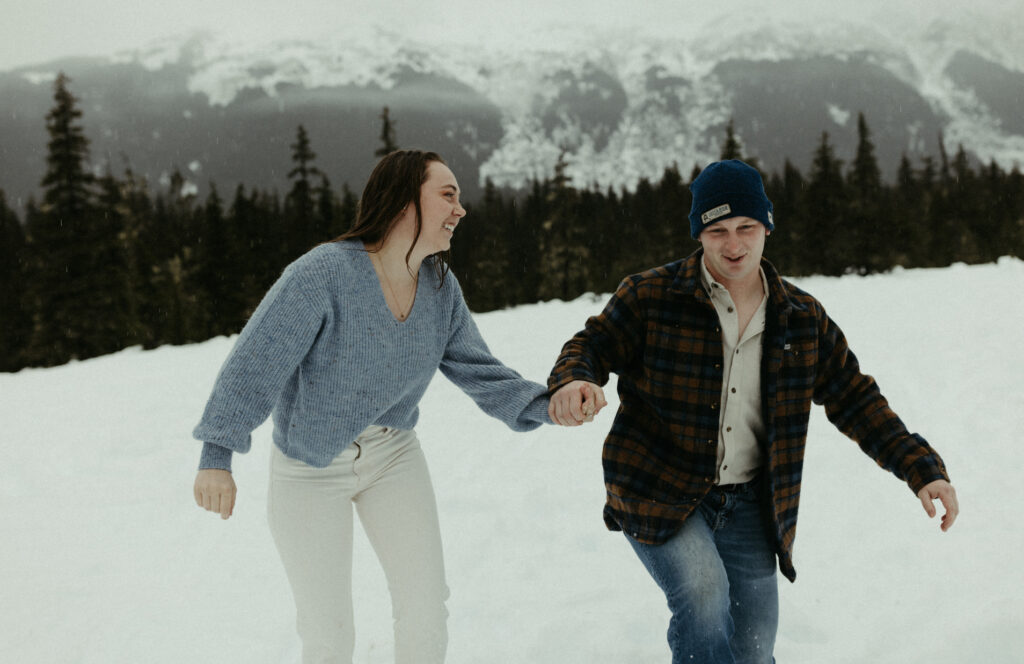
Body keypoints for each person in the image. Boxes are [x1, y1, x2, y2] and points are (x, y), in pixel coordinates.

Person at [547, 159, 959, 664]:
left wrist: (922, 470)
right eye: (717, 230)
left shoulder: (801, 318)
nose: (734, 244)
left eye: (745, 227)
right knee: (702, 596)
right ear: (699, 234)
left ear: (767, 225)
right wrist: (574, 379)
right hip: (658, 487)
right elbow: (591, 345)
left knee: (754, 648)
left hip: (750, 505)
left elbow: (855, 397)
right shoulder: (652, 297)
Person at [192, 150, 566, 664]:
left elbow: (479, 370)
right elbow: (256, 362)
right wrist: (217, 454)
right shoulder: (323, 273)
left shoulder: (439, 287)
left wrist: (547, 405)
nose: (461, 210)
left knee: (426, 606)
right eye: (448, 195)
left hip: (393, 457)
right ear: (404, 200)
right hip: (309, 467)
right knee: (329, 633)